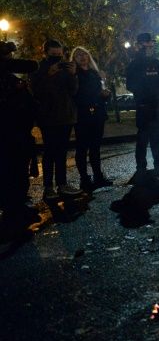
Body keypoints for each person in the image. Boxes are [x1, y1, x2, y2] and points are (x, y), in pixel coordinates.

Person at [30, 39, 82, 198]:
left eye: (59, 55)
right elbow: (36, 92)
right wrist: (48, 75)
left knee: (61, 152)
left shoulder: (65, 68)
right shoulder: (38, 69)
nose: (57, 58)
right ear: (45, 53)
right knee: (50, 152)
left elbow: (73, 91)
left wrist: (73, 75)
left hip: (66, 116)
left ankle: (62, 184)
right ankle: (48, 187)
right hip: (48, 118)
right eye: (53, 55)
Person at [0, 41, 40, 230]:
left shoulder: (9, 77)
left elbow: (31, 65)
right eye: (7, 55)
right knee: (12, 174)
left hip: (18, 133)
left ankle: (16, 208)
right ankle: (13, 212)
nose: (10, 58)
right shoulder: (7, 79)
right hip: (10, 134)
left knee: (17, 173)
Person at [71, 46, 113, 192]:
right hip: (82, 115)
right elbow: (76, 95)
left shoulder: (95, 74)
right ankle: (84, 179)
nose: (82, 57)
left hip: (97, 113)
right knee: (82, 148)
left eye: (84, 54)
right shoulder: (74, 75)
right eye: (78, 55)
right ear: (74, 59)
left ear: (89, 56)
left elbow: (101, 93)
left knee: (95, 147)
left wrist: (106, 95)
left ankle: (98, 176)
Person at [126, 32, 159, 176]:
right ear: (139, 45)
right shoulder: (134, 64)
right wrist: (143, 94)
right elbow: (130, 85)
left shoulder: (156, 62)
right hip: (143, 106)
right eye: (147, 43)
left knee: (157, 136)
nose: (150, 45)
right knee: (143, 137)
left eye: (151, 43)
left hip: (156, 105)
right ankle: (141, 166)